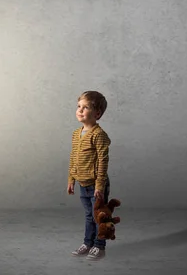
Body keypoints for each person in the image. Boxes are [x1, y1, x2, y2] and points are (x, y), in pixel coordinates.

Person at [67, 91, 111, 260]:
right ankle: (88, 242)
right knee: (88, 216)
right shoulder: (76, 134)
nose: (80, 110)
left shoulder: (99, 135)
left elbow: (103, 161)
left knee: (99, 216)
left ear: (97, 113)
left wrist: (99, 185)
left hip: (96, 185)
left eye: (85, 107)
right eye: (79, 106)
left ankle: (100, 247)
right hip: (83, 184)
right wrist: (71, 179)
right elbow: (73, 157)